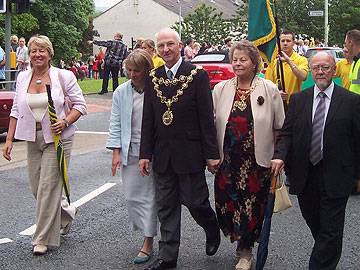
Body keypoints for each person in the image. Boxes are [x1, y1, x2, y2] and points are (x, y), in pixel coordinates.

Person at [139, 28, 221, 270]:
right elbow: (148, 119)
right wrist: (145, 153)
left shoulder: (197, 75)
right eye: (161, 45)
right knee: (166, 206)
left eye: (170, 45)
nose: (166, 50)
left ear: (180, 46)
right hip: (162, 154)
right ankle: (168, 257)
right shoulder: (152, 77)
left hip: (190, 153)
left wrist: (211, 154)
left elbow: (206, 117)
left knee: (196, 202)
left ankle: (211, 226)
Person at [271, 52, 360, 270]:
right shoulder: (299, 99)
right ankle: (327, 254)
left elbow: (358, 140)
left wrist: (358, 175)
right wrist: (279, 156)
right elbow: (287, 133)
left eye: (326, 67)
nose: (320, 72)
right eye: (316, 68)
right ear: (310, 70)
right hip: (304, 176)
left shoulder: (351, 101)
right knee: (318, 226)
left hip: (337, 175)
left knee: (330, 230)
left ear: (334, 70)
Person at [2, 35, 87, 255]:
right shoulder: (22, 78)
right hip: (32, 137)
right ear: (28, 55)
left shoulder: (63, 76)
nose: (37, 55)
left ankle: (41, 239)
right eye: (33, 51)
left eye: (42, 51)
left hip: (58, 139)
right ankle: (66, 214)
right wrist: (9, 139)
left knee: (48, 188)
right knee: (37, 188)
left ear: (50, 54)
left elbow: (80, 105)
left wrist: (65, 120)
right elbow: (15, 111)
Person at [212, 40, 285, 270]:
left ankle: (245, 251)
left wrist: (278, 157)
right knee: (228, 205)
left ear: (254, 63)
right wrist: (211, 155)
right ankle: (238, 243)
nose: (237, 63)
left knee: (251, 206)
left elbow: (279, 126)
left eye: (243, 59)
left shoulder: (269, 89)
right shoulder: (221, 89)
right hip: (228, 161)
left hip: (256, 162)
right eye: (234, 59)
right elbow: (211, 124)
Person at [106, 49, 157, 265]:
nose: (133, 74)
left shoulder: (156, 90)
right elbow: (115, 123)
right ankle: (148, 232)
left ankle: (148, 242)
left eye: (137, 70)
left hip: (154, 153)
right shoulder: (120, 92)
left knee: (151, 198)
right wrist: (116, 152)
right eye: (129, 70)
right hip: (130, 151)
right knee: (131, 197)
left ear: (147, 70)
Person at [265, 30, 308, 103]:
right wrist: (276, 93)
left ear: (293, 43)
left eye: (288, 41)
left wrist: (289, 61)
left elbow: (303, 77)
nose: (285, 43)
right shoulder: (273, 62)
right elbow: (267, 85)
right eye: (282, 41)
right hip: (278, 104)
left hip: (295, 104)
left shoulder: (301, 59)